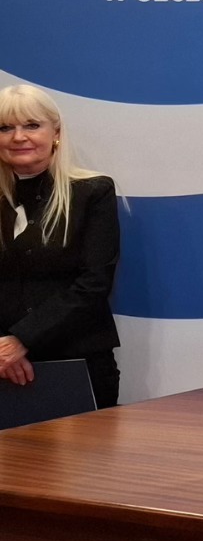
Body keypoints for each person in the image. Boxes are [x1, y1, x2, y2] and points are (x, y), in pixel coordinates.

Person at [0, 85, 122, 409]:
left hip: (76, 364)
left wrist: (22, 339)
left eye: (31, 125)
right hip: (3, 368)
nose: (18, 137)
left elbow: (94, 283)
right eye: (5, 128)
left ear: (55, 132)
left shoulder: (93, 193)